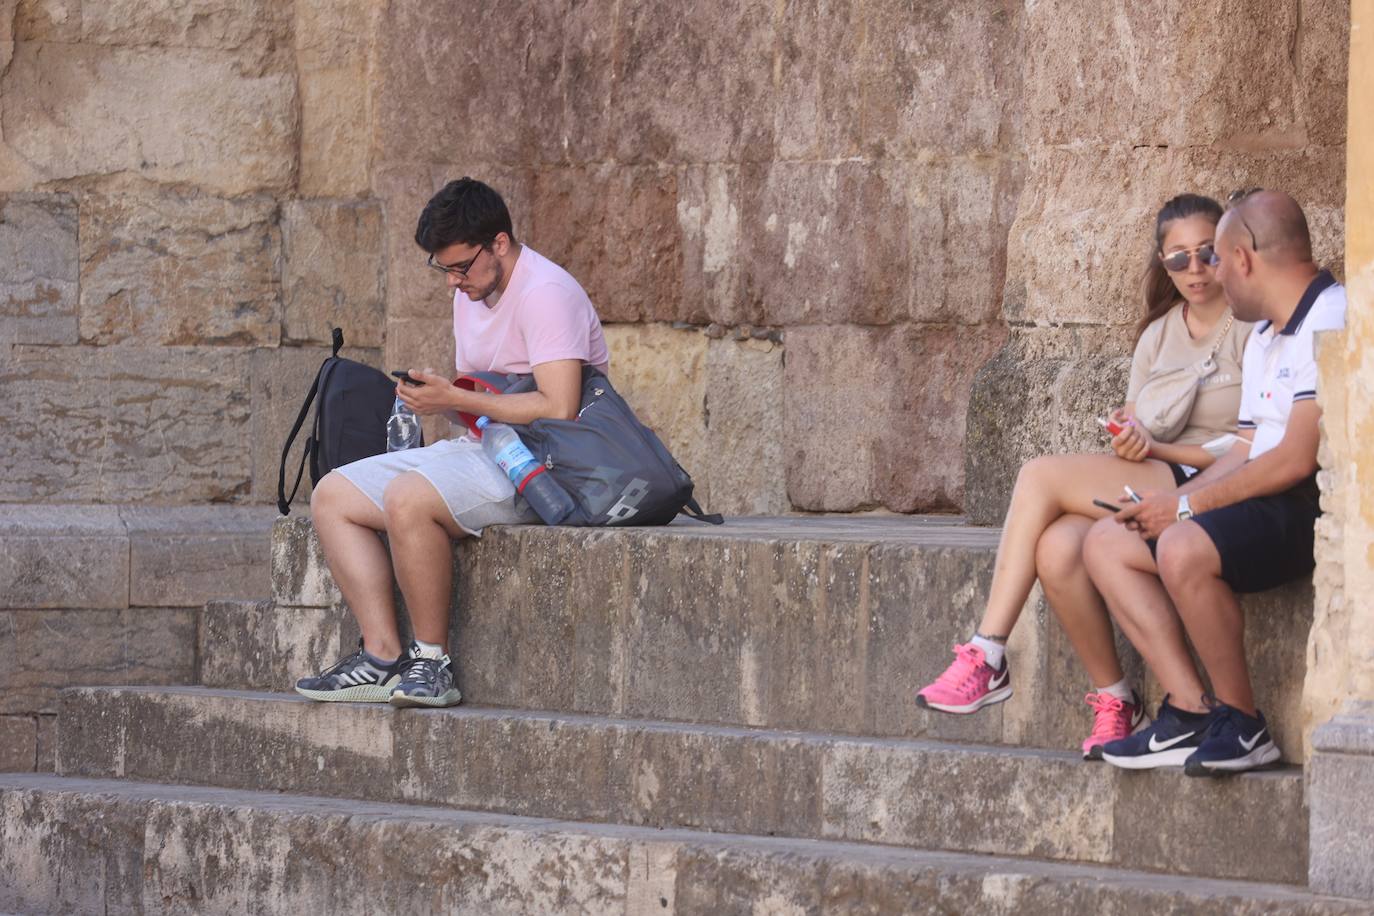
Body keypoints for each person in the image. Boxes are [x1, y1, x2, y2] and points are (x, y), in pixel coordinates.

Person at [917, 194, 1253, 758]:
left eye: (1205, 254)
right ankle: (1116, 698)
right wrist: (1126, 434)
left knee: (1039, 476)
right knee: (1056, 545)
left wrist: (1159, 445)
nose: (1194, 270)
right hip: (1152, 473)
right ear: (1162, 266)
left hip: (1209, 481)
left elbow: (1250, 443)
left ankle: (987, 651)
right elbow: (1137, 429)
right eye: (1178, 260)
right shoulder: (1158, 335)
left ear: (1225, 251)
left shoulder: (1249, 326)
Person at [294, 177, 609, 708]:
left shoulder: (546, 294)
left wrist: (451, 402)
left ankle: (432, 662)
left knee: (407, 497)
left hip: (549, 466)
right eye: (444, 269)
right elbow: (483, 393)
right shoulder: (474, 290)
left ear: (500, 244)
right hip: (490, 446)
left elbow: (560, 406)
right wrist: (436, 397)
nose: (452, 282)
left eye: (460, 266)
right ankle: (382, 657)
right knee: (333, 495)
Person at [1086, 190, 1345, 775]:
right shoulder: (1264, 334)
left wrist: (1185, 512)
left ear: (1244, 258)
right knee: (1106, 539)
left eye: (1219, 260)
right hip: (1260, 491)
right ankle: (1189, 712)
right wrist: (1168, 501)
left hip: (1310, 505)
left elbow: (1296, 459)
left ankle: (1243, 722)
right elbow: (1250, 446)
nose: (1215, 277)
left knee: (1180, 544)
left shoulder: (1332, 315)